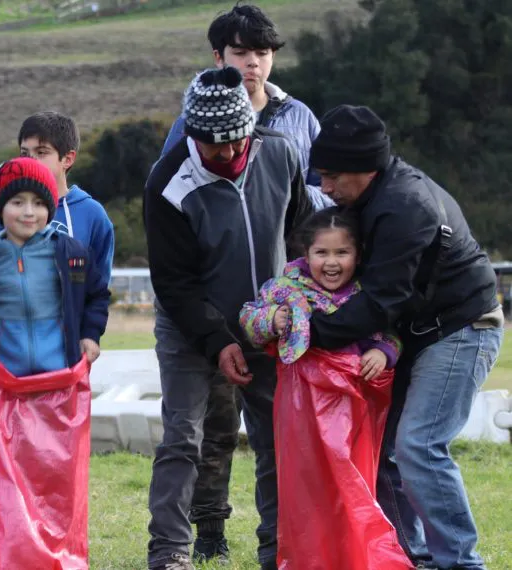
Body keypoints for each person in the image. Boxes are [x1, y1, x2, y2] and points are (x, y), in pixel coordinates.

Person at [156, 7, 329, 559]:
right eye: (214, 149)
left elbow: (305, 236)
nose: (228, 156)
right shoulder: (168, 181)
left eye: (238, 145)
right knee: (187, 437)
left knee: (280, 440)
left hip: (270, 323)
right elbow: (175, 283)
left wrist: (294, 303)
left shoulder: (280, 152)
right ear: (192, 139)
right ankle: (172, 551)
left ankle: (279, 548)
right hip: (191, 325)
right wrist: (219, 340)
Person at [306, 105, 503, 570]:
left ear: (364, 168)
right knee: (385, 447)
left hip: (462, 329)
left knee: (418, 445)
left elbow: (379, 301)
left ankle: (460, 563)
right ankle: (411, 558)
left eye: (331, 175)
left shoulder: (404, 207)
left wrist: (302, 334)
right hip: (419, 331)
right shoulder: (370, 199)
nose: (324, 187)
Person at [239, 208, 412, 570]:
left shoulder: (366, 293)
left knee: (351, 482)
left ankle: (352, 557)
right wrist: (272, 320)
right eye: (322, 253)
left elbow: (390, 334)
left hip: (354, 408)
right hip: (300, 407)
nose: (331, 263)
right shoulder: (285, 288)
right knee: (307, 487)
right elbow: (250, 319)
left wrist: (383, 353)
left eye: (341, 253)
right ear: (306, 253)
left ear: (358, 256)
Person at [0, 157, 110, 567]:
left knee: (54, 478)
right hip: (6, 386)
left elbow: (98, 297)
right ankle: (11, 551)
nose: (29, 212)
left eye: (38, 203)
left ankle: (55, 551)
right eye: (17, 203)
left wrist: (89, 336)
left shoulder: (72, 254)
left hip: (58, 384)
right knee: (6, 477)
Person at [0, 111, 115, 285]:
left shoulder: (92, 214)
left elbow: (99, 287)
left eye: (41, 152)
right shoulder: (1, 212)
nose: (31, 161)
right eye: (25, 153)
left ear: (68, 159)